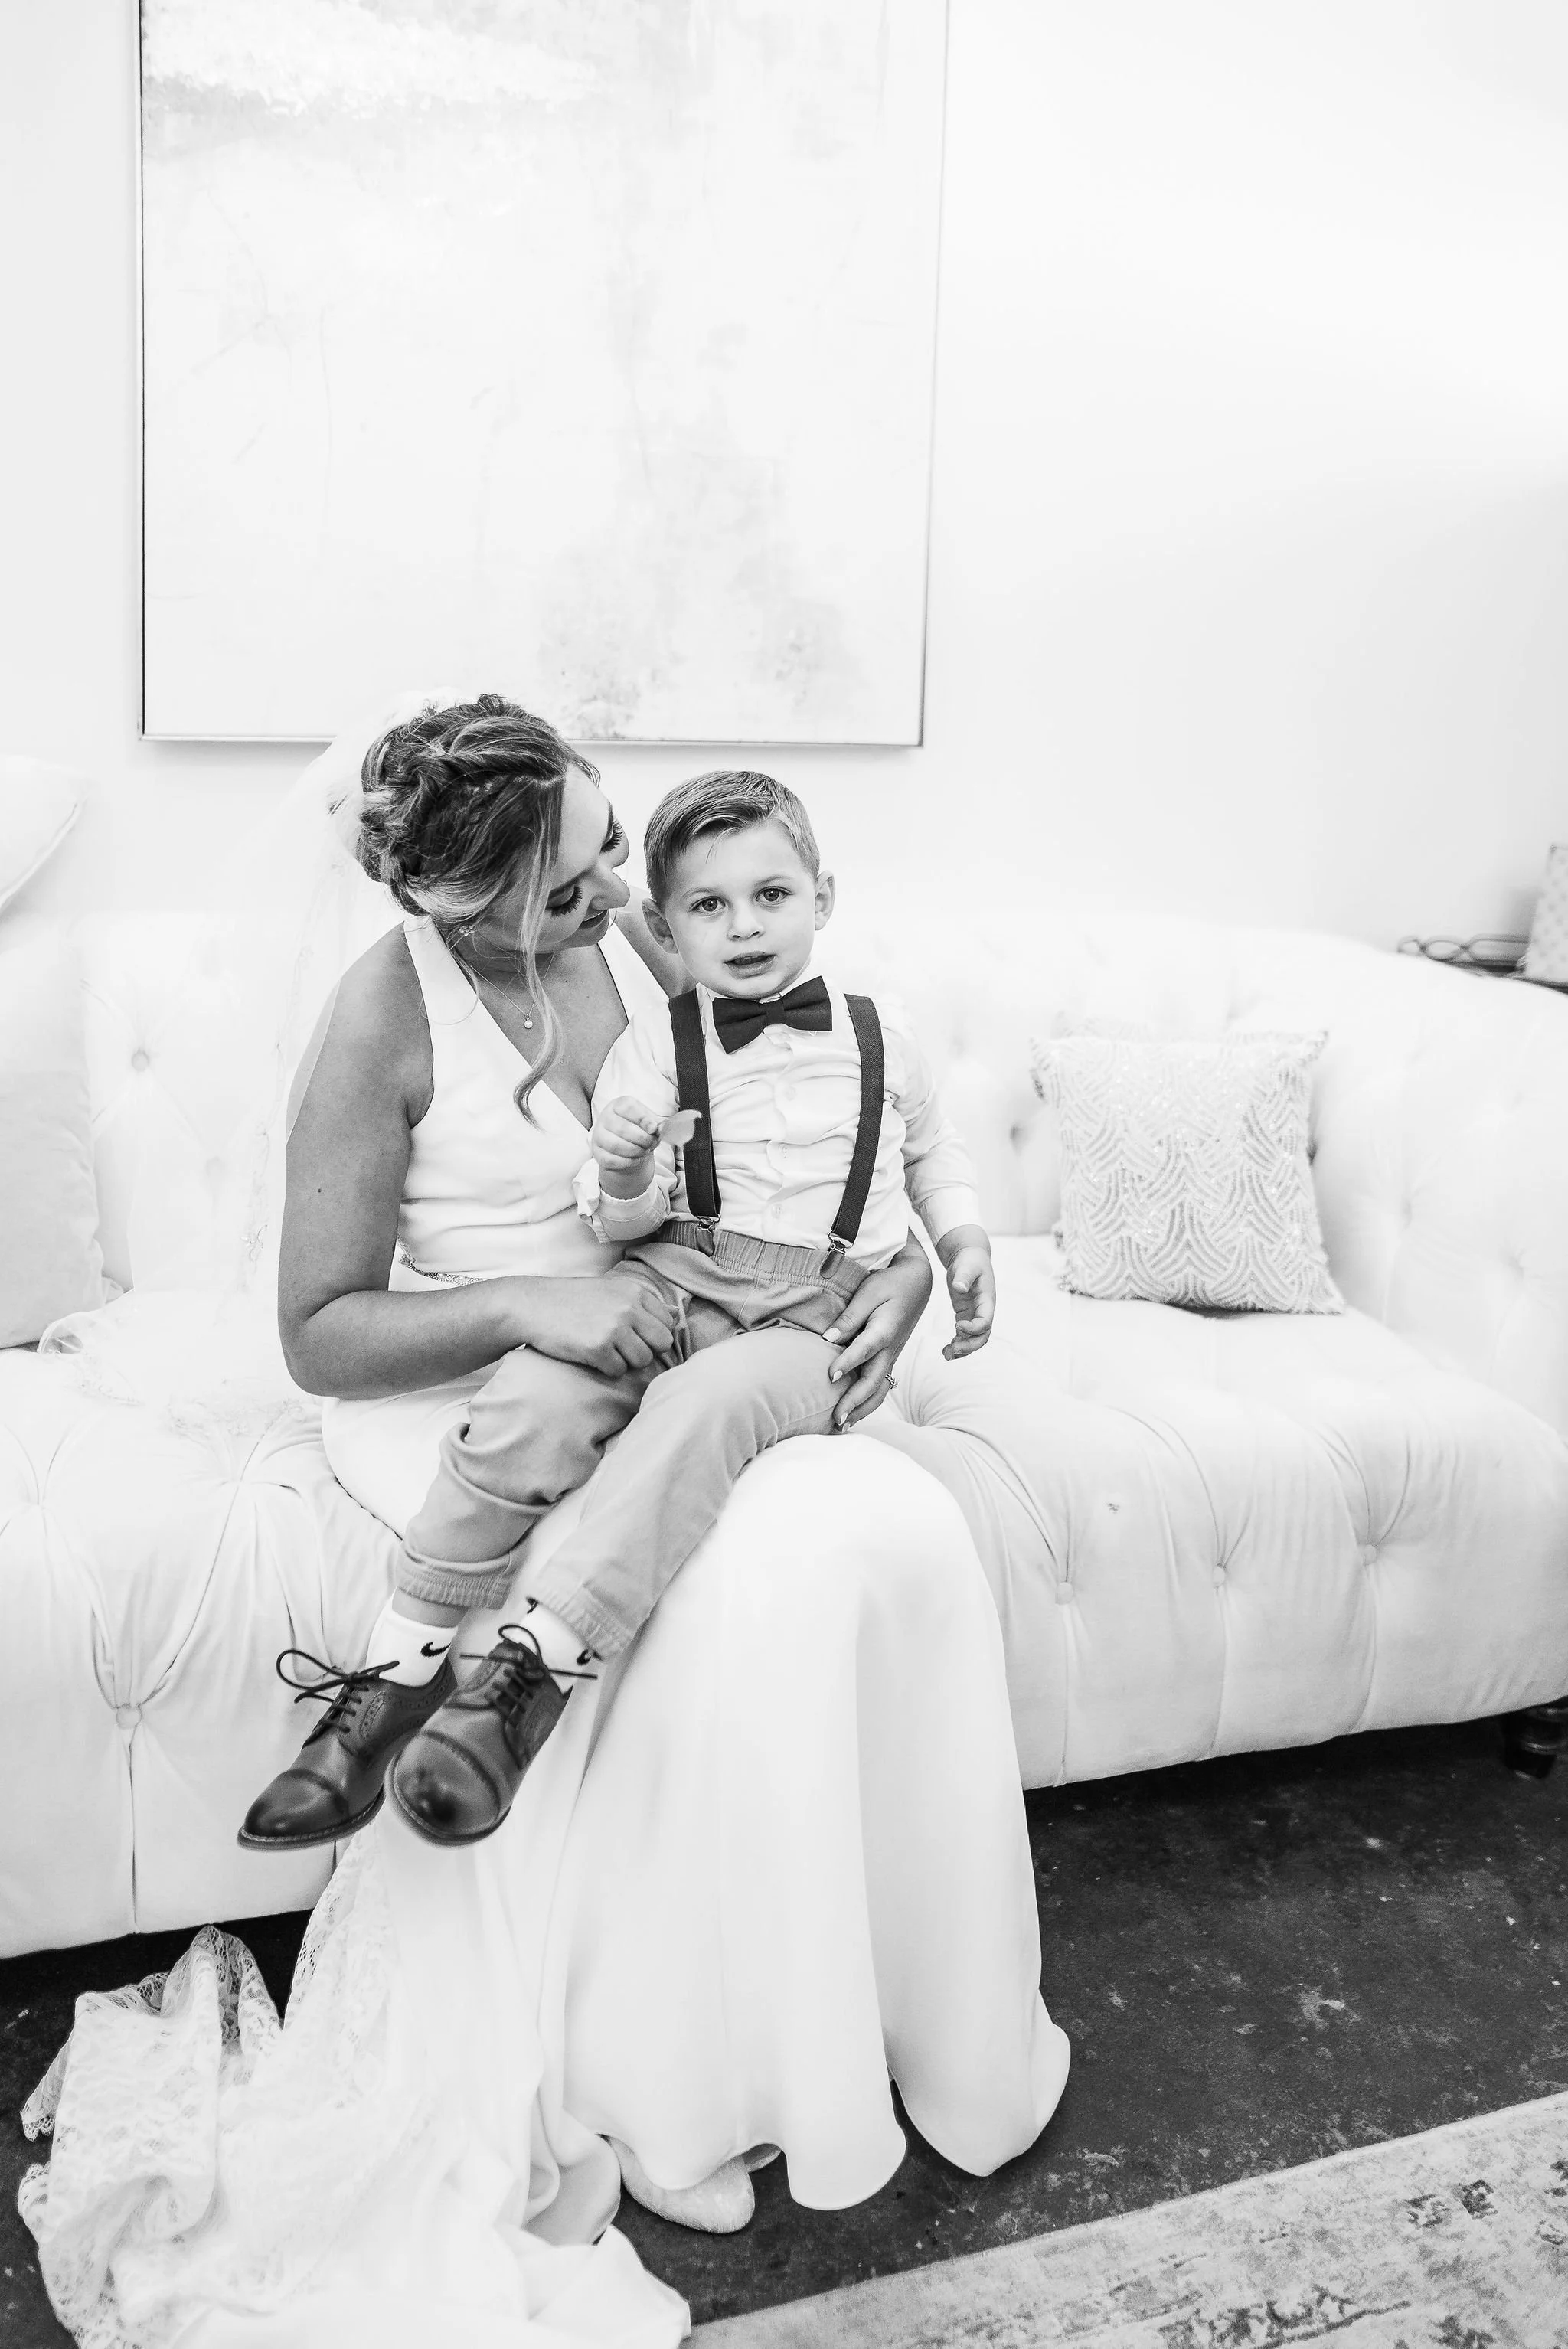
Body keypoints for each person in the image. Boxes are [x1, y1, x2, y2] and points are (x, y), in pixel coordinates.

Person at [20, 695, 1069, 2347]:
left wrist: (903, 1271)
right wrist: (535, 1309)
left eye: (606, 851)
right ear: (469, 904)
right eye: (574, 883)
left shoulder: (654, 943)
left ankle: (747, 2041)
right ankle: (493, 1813)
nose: (620, 899)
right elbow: (318, 1331)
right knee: (666, 1573)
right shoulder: (383, 1018)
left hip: (673, 1335)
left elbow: (802, 1163)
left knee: (783, 1571)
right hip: (449, 1388)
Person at [354, 766, 1001, 1848]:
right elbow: (616, 1221)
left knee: (704, 1405)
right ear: (669, 924)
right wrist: (623, 1170)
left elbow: (932, 1151)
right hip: (678, 1273)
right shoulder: (660, 1042)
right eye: (708, 907)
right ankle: (399, 1658)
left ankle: (534, 1672)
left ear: (823, 896)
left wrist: (959, 1241)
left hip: (813, 1317)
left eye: (773, 897)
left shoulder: (886, 1036)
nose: (744, 928)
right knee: (542, 1391)